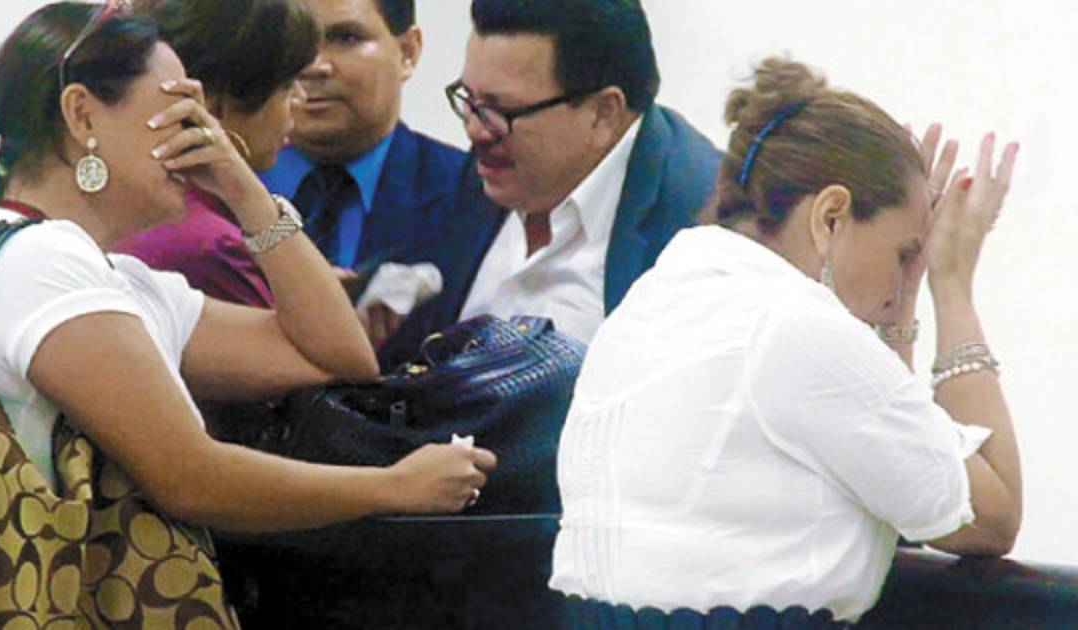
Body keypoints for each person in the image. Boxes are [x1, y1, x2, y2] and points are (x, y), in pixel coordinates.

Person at [0, 3, 496, 627]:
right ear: (83, 116)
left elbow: (336, 357)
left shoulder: (119, 281)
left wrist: (244, 188)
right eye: (179, 111)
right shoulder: (40, 262)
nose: (203, 135)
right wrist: (394, 486)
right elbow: (191, 477)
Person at [550, 58, 1021, 627]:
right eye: (903, 254)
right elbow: (992, 515)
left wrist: (900, 309)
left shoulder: (653, 302)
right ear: (831, 217)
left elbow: (898, 485)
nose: (899, 288)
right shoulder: (794, 328)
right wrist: (951, 283)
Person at [379, 0, 722, 368]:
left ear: (603, 113)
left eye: (501, 110)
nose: (475, 130)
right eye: (470, 100)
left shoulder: (702, 229)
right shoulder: (486, 174)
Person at [259, 0, 469, 347]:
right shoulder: (207, 193)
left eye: (345, 38)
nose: (314, 66)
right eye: (290, 38)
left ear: (407, 51)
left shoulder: (474, 197)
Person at [112, 0, 320, 308]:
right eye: (287, 85)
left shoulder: (131, 201)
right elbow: (337, 342)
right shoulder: (211, 247)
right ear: (212, 103)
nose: (301, 99)